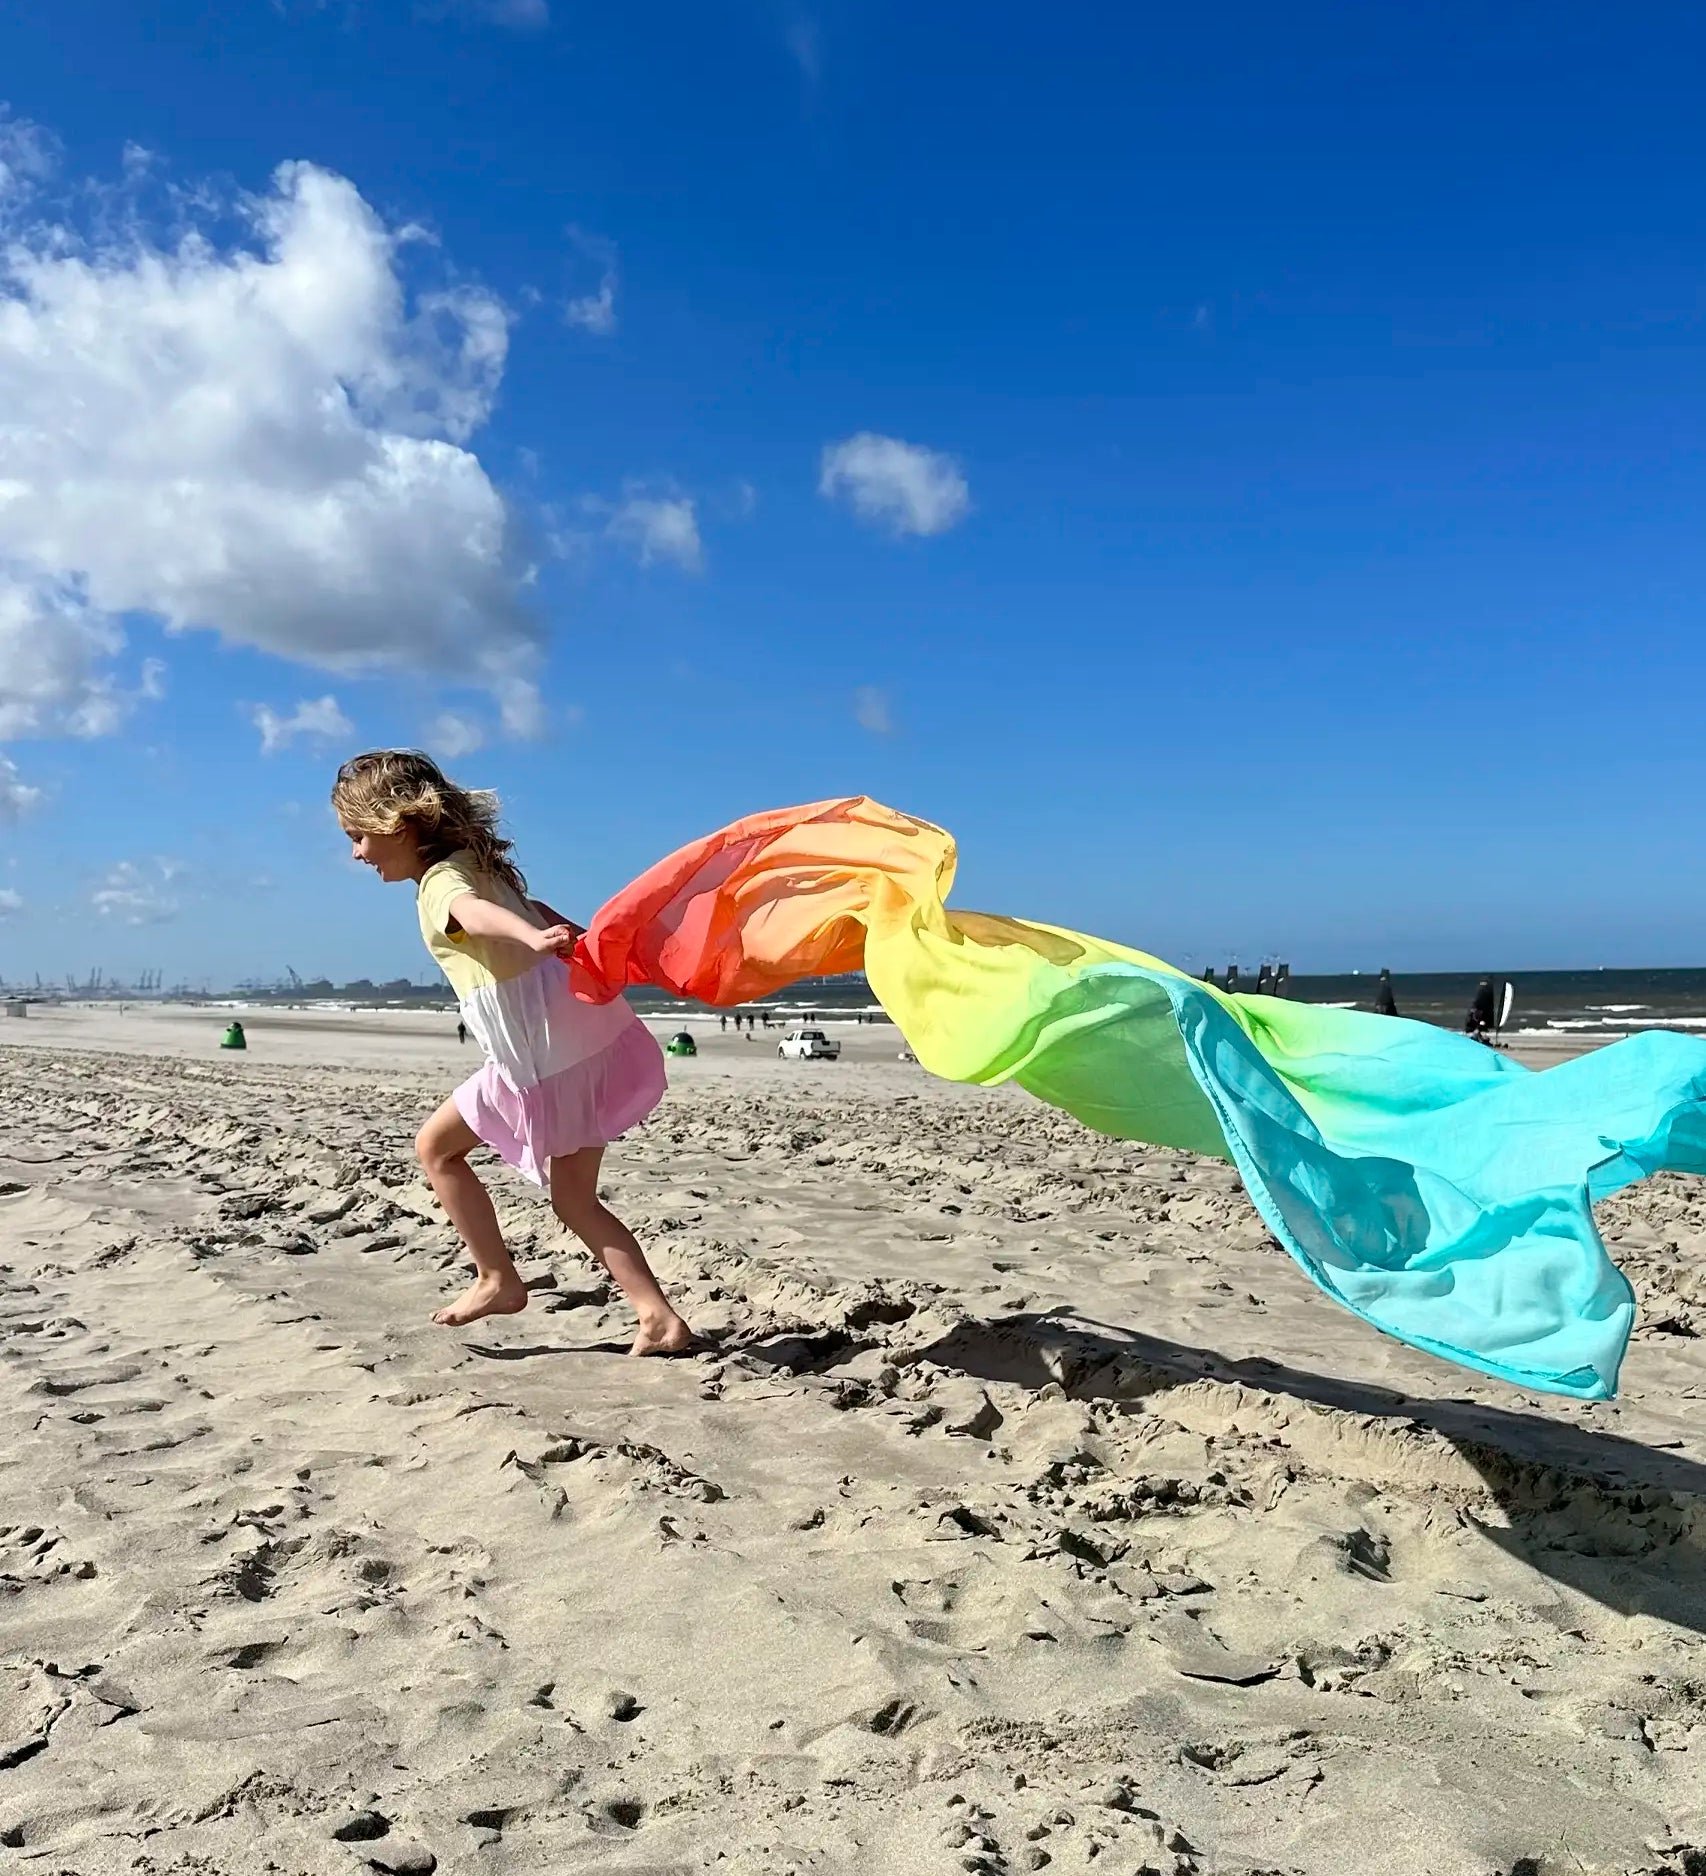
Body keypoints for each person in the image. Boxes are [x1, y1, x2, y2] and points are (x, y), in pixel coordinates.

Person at [331, 750, 692, 1353]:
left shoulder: (441, 883)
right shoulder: (476, 864)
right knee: (573, 1196)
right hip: (583, 1035)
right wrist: (564, 935)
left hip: (539, 1052)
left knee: (436, 1150)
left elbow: (473, 916)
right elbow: (531, 912)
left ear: (399, 824)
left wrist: (529, 936)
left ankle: (497, 1278)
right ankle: (658, 1317)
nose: (356, 854)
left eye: (359, 836)